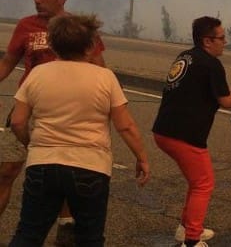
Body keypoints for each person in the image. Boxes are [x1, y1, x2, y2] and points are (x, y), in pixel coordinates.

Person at [8, 14, 149, 246]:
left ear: (52, 44)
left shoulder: (38, 74)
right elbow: (125, 125)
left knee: (29, 234)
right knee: (89, 238)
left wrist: (31, 143)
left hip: (42, 163)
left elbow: (17, 121)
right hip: (90, 166)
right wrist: (141, 157)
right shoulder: (105, 78)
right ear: (91, 46)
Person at [0, 0, 105, 245]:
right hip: (27, 107)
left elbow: (99, 67)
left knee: (63, 171)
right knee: (6, 170)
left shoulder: (77, 28)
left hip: (67, 112)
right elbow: (8, 62)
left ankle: (66, 229)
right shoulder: (25, 26)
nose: (37, 0)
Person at [152, 17, 231, 247]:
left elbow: (202, 89)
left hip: (164, 129)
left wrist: (230, 94)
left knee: (196, 180)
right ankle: (191, 241)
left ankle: (186, 228)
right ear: (207, 41)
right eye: (221, 38)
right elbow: (225, 101)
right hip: (184, 135)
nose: (225, 42)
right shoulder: (211, 64)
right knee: (204, 183)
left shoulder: (187, 56)